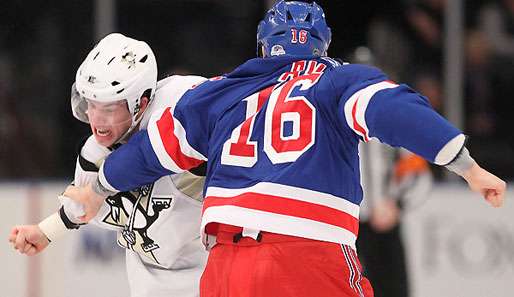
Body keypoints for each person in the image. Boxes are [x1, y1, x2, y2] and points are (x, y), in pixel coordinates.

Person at [61, 1, 506, 297]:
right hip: (305, 252)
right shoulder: (338, 78)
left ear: (263, 45)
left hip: (225, 268)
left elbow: (149, 153)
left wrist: (98, 185)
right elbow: (397, 111)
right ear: (323, 44)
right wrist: (466, 165)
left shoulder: (223, 91)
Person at [8, 33, 208, 297]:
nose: (97, 120)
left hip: (210, 273)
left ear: (142, 102)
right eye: (92, 104)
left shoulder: (181, 109)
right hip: (149, 283)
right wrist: (45, 231)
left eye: (110, 108)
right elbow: (82, 204)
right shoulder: (94, 154)